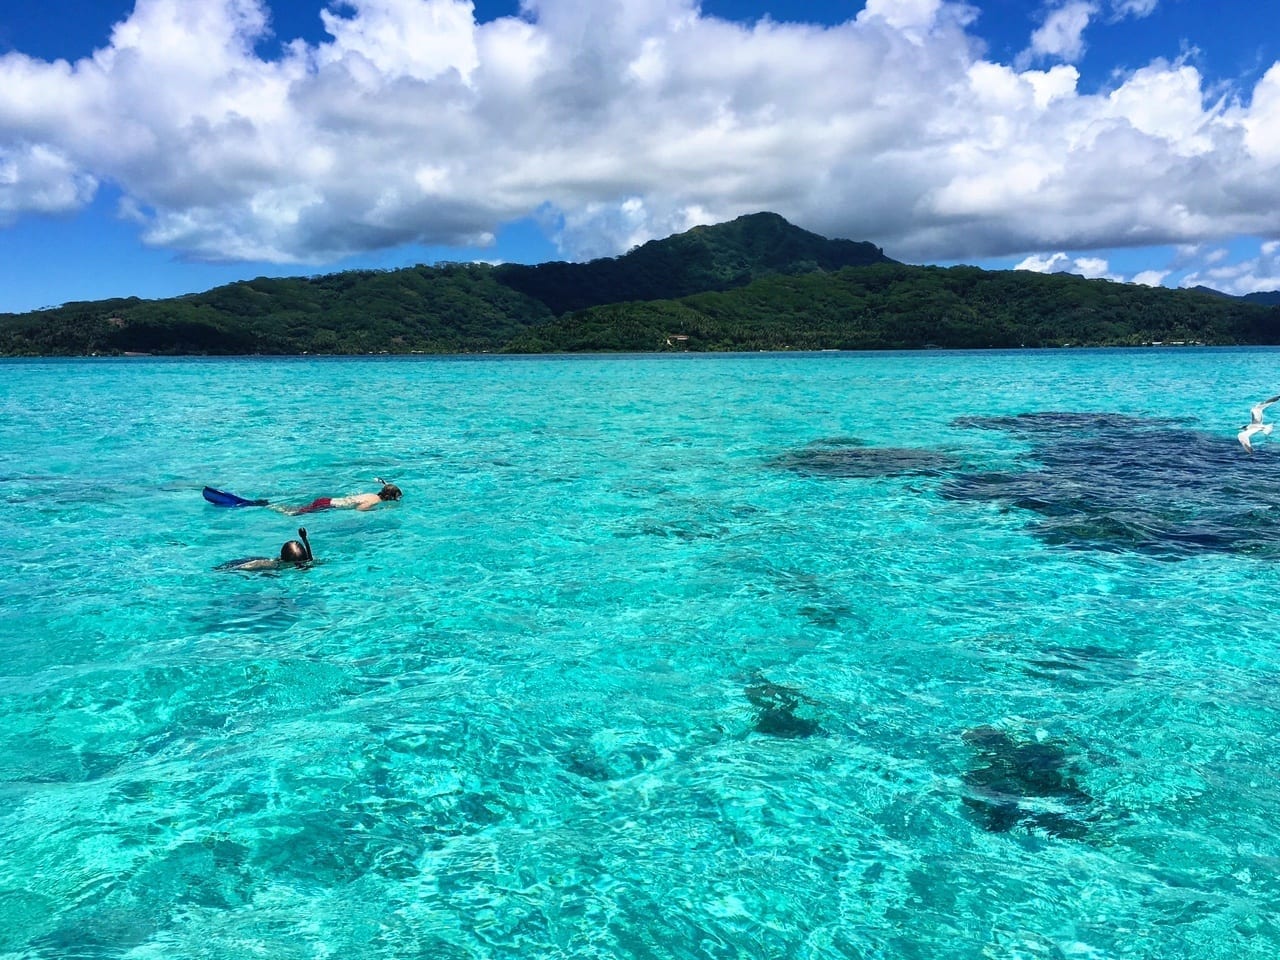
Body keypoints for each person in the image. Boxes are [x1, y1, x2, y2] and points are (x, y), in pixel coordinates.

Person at [217, 527, 314, 571]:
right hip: (241, 563)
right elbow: (249, 565)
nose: (298, 566)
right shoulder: (270, 564)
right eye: (296, 564)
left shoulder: (308, 560)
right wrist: (226, 570)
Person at [284, 480, 403, 515]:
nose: (397, 499)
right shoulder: (374, 502)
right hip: (326, 505)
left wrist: (383, 482)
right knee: (294, 513)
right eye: (396, 497)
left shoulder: (373, 495)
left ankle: (281, 508)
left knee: (297, 509)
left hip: (326, 501)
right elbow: (360, 509)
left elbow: (387, 487)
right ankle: (276, 508)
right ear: (390, 497)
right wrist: (379, 510)